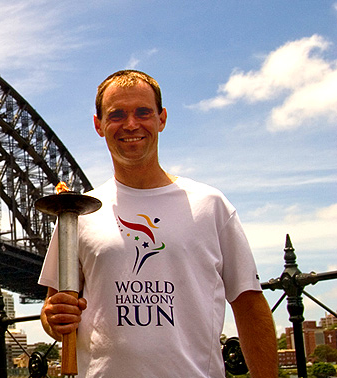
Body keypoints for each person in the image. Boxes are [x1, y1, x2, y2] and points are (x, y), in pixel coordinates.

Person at [38, 70, 278, 377]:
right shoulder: (77, 213)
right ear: (98, 125)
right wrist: (52, 319)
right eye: (117, 115)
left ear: (162, 119)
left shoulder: (211, 205)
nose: (131, 124)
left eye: (143, 113)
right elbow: (54, 311)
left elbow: (249, 305)